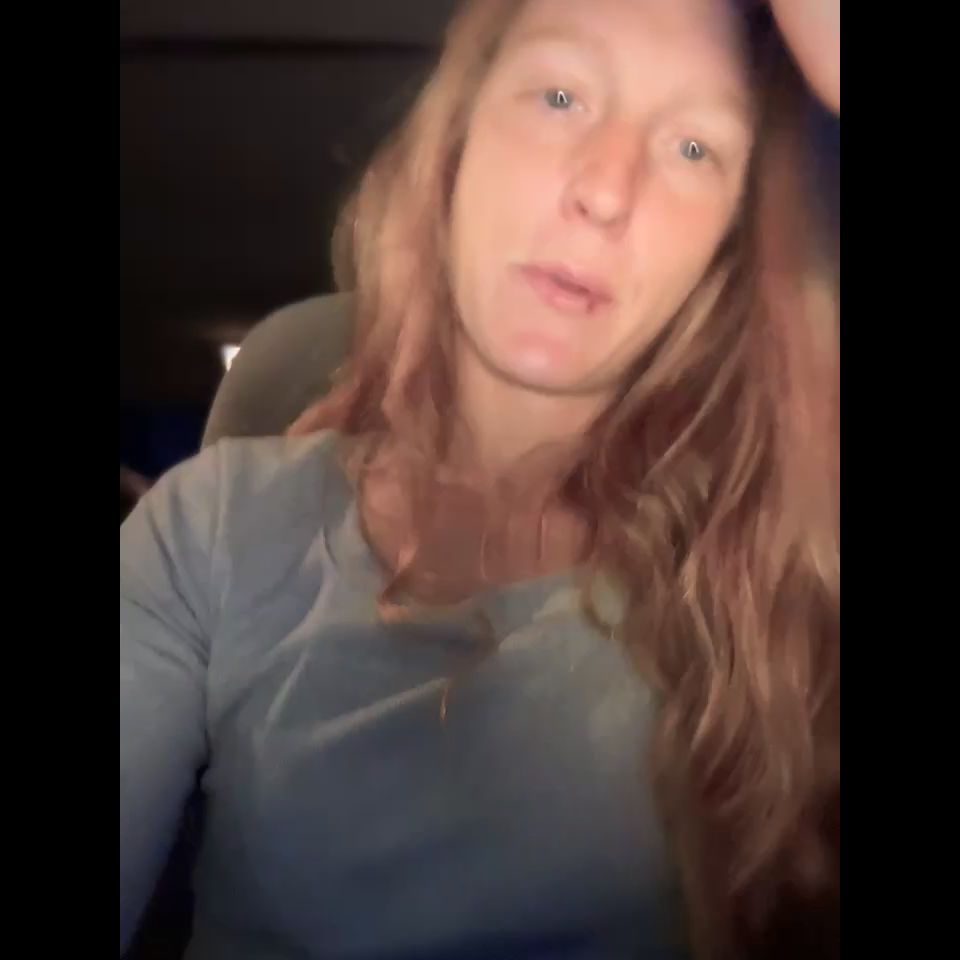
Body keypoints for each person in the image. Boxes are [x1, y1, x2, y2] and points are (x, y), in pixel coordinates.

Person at [120, 1, 839, 957]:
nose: (606, 189)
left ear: (726, 252)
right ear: (452, 145)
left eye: (694, 148)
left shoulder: (783, 555)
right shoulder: (210, 529)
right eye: (559, 96)